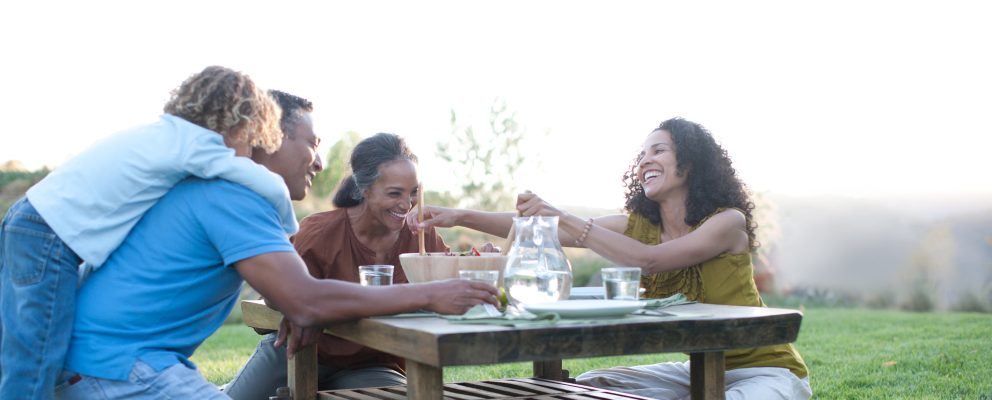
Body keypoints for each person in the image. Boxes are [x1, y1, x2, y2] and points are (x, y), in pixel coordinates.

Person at [54, 92, 498, 399]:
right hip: (115, 371)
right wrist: (433, 293)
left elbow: (299, 295)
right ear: (270, 138)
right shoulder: (233, 200)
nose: (322, 162)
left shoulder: (240, 197)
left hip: (131, 365)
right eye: (312, 143)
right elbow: (304, 300)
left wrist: (304, 305)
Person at [412, 117, 812, 399]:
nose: (644, 162)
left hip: (766, 371)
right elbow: (553, 230)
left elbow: (650, 261)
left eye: (658, 150)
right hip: (700, 368)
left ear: (689, 164)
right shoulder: (638, 224)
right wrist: (460, 215)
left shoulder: (726, 222)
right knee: (590, 384)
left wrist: (563, 214)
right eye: (642, 155)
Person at [0, 65, 297, 399]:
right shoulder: (195, 144)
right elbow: (250, 175)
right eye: (252, 140)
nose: (250, 151)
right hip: (45, 236)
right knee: (36, 356)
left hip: (32, 224)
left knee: (23, 344)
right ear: (239, 124)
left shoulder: (166, 135)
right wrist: (286, 214)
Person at [225, 132, 481, 398]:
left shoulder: (422, 237)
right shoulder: (320, 233)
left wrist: (480, 262)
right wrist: (297, 306)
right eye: (395, 193)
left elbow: (450, 285)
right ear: (364, 190)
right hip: (301, 350)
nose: (407, 205)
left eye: (414, 193)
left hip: (372, 364)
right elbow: (277, 294)